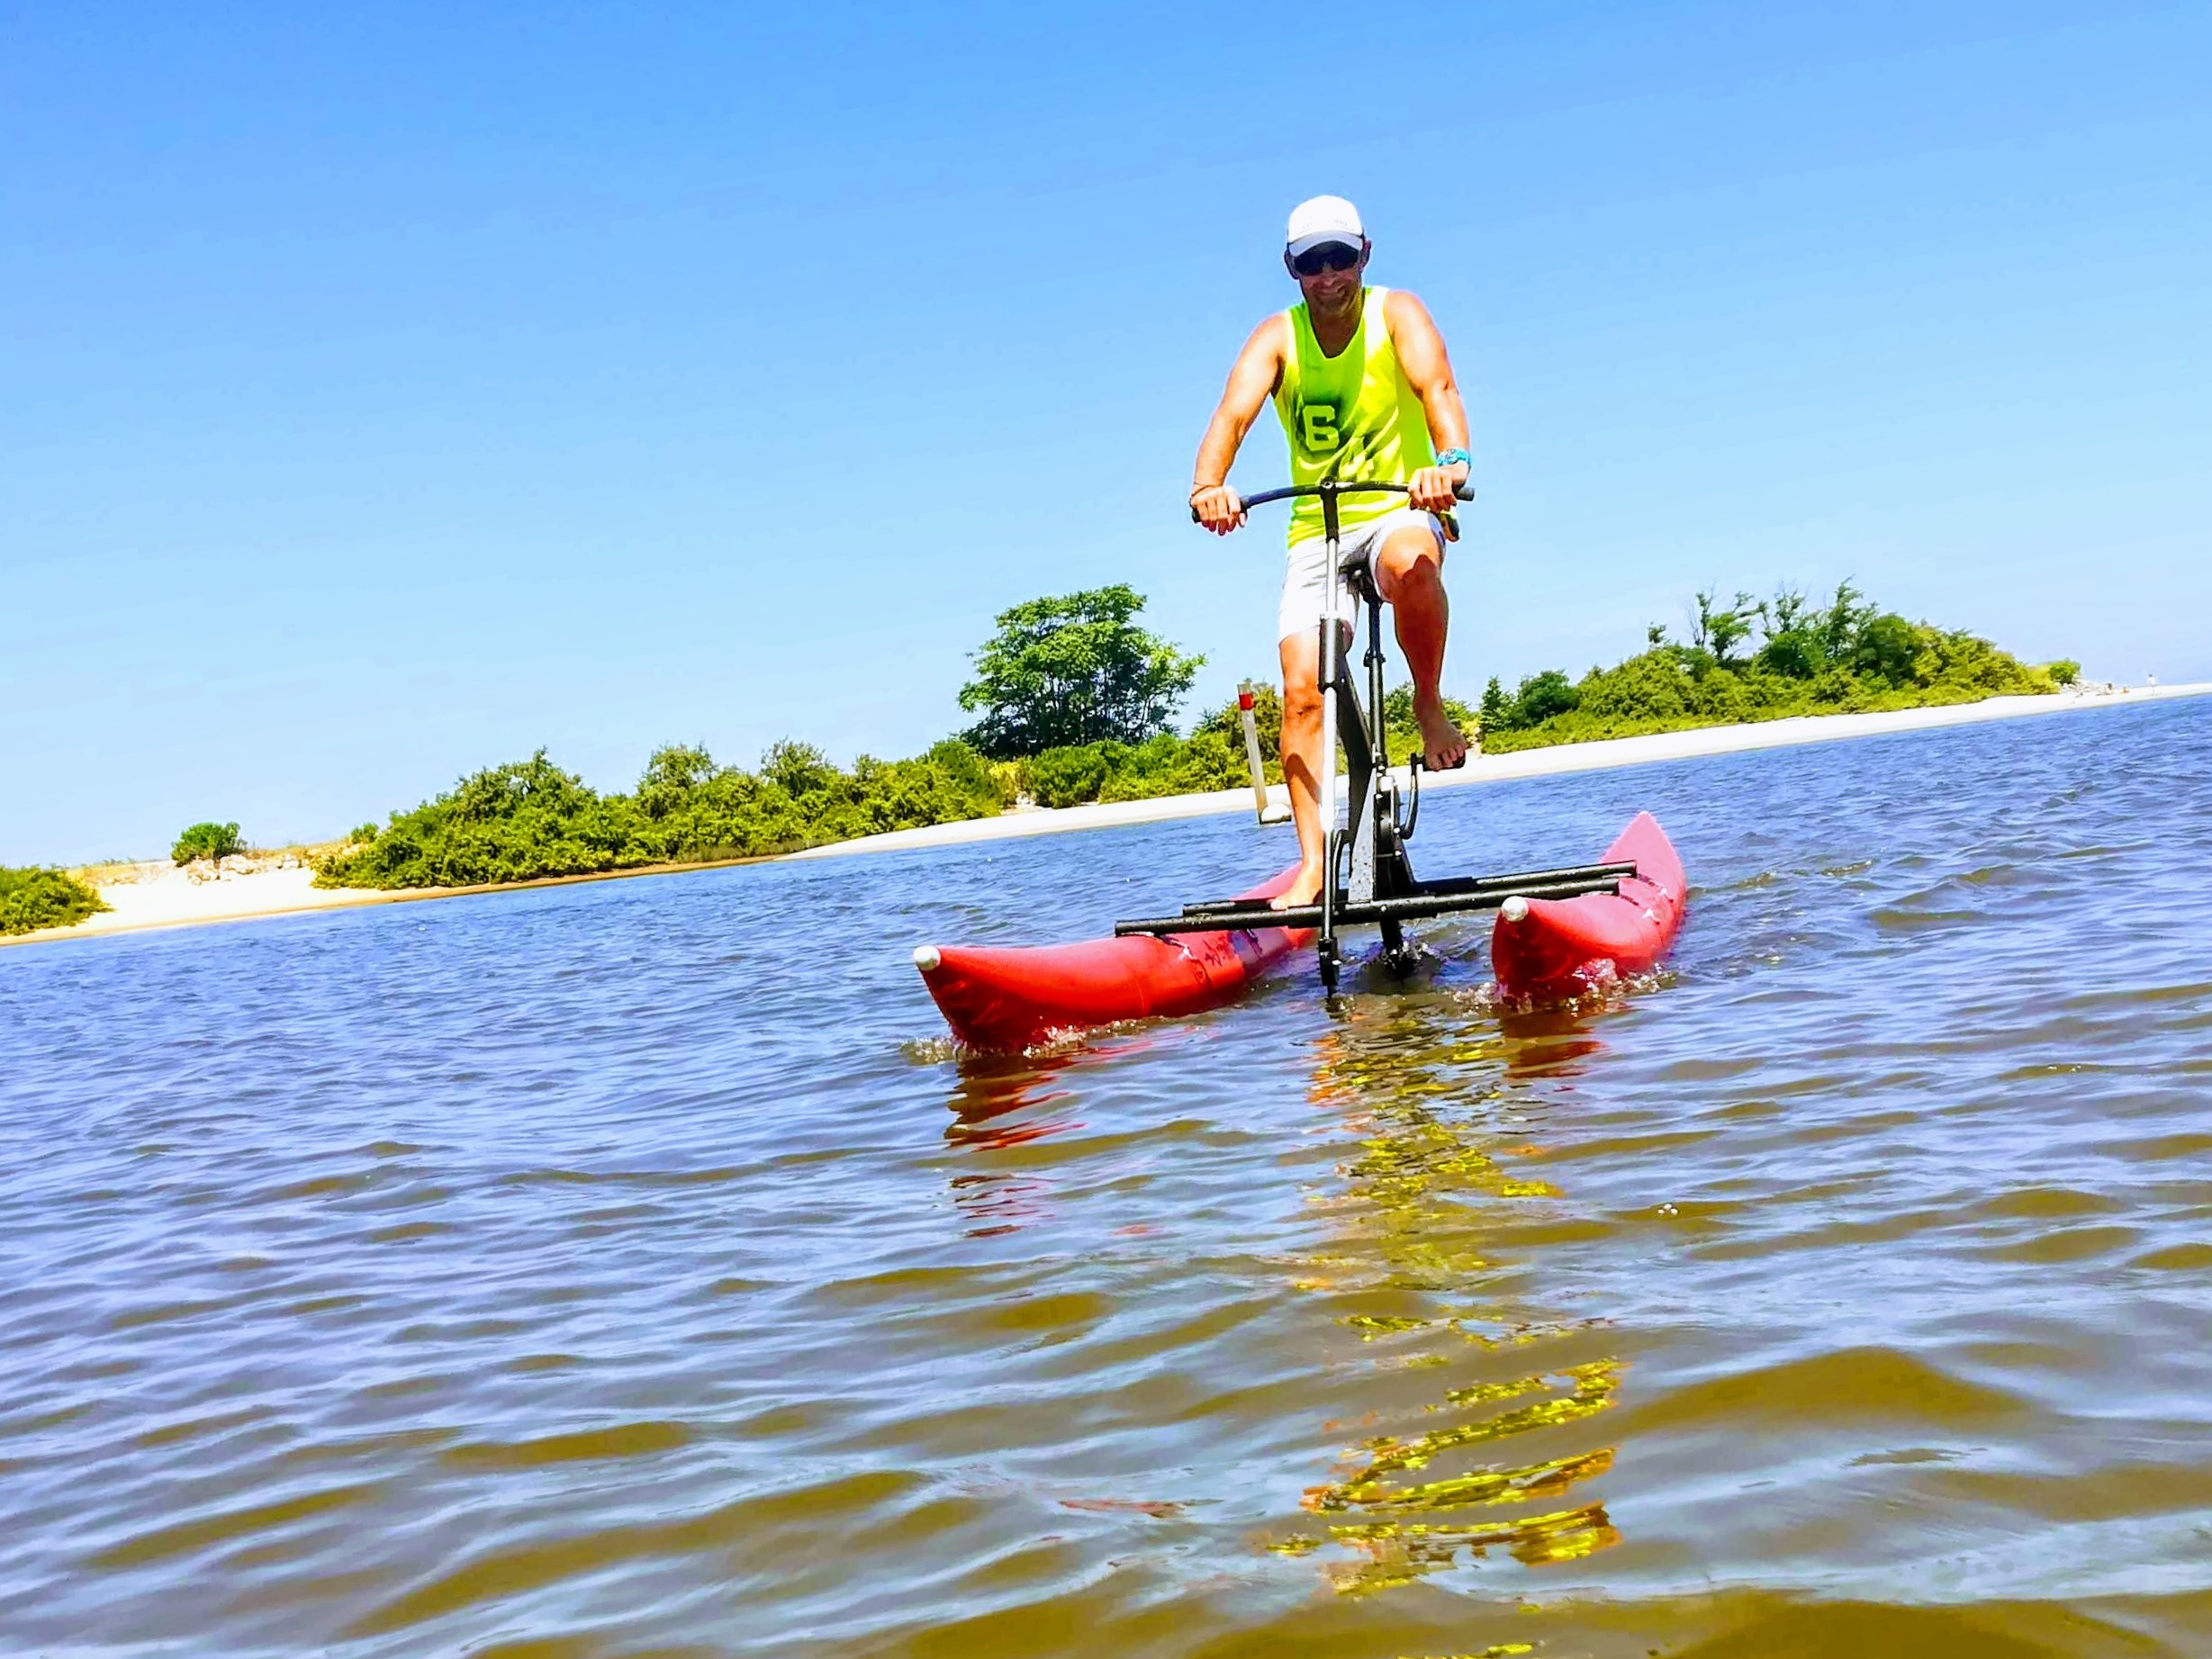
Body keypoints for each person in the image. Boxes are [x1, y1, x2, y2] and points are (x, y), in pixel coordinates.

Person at [1189, 194, 1474, 910]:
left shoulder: (1397, 312)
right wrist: (1208, 486)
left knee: (1412, 565)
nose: (1327, 275)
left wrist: (1451, 463)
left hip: (1396, 506)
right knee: (1299, 689)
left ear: (1364, 255)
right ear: (1291, 268)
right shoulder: (1276, 337)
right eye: (1311, 262)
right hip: (1315, 529)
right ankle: (1314, 869)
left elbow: (1436, 385)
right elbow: (1232, 412)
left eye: (1339, 257)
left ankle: (1430, 705)